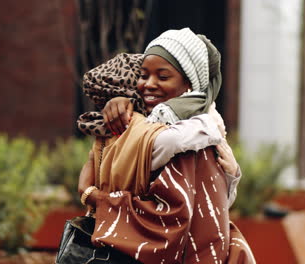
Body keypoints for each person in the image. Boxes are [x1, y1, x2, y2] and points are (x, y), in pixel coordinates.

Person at [77, 28, 255, 264]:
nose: (148, 85)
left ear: (189, 84)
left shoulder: (197, 135)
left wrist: (95, 197)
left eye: (162, 77)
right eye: (143, 75)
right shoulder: (146, 121)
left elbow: (172, 216)